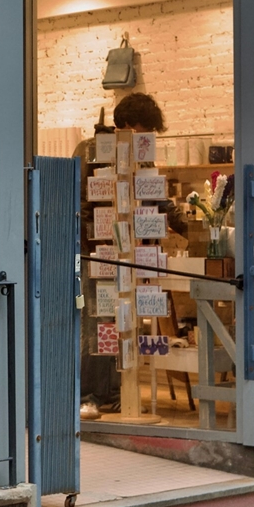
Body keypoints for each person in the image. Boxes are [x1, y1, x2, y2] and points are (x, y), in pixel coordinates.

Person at [73, 93, 187, 418]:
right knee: (98, 323)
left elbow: (158, 197)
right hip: (97, 253)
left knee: (121, 323)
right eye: (143, 128)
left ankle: (113, 392)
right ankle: (90, 395)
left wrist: (187, 227)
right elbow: (79, 204)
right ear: (125, 124)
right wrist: (94, 248)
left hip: (128, 253)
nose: (146, 136)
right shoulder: (92, 150)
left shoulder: (142, 157)